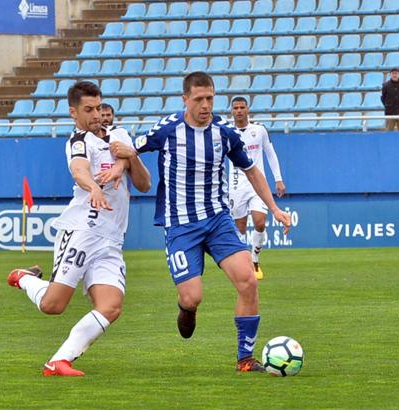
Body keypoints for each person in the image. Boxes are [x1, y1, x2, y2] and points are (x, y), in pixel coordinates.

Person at [111, 72, 291, 373]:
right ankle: (187, 309)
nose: (206, 105)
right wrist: (119, 166)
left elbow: (252, 171)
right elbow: (133, 149)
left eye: (210, 98)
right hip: (181, 225)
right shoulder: (167, 129)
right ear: (186, 99)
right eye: (199, 99)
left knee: (248, 281)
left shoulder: (224, 132)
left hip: (218, 220)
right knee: (192, 297)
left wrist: (274, 208)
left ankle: (245, 359)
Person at [6, 81, 151, 377]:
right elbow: (79, 169)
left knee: (111, 307)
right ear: (74, 112)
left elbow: (145, 184)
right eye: (89, 109)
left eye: (99, 107)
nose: (97, 114)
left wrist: (129, 159)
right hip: (82, 231)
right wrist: (94, 188)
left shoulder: (120, 135)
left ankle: (59, 360)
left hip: (111, 239)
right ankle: (22, 277)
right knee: (53, 306)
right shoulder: (78, 141)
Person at [229, 97, 286, 280]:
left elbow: (270, 153)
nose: (239, 111)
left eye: (242, 107)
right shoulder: (227, 132)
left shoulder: (259, 130)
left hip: (258, 183)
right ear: (232, 111)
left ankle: (254, 260)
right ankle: (242, 262)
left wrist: (278, 179)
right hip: (237, 185)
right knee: (240, 227)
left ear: (248, 109)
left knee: (260, 222)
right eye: (235, 108)